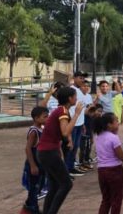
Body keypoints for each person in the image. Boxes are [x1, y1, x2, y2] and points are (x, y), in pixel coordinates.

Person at [37, 86, 83, 214]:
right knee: (66, 184)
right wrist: (77, 114)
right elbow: (65, 131)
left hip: (47, 152)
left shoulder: (60, 110)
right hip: (48, 152)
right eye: (74, 96)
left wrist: (67, 142)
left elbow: (58, 133)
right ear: (69, 98)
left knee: (55, 185)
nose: (76, 99)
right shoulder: (62, 111)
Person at [93, 112, 123, 214]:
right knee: (116, 200)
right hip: (114, 171)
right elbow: (122, 156)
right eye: (116, 121)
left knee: (106, 200)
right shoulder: (113, 138)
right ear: (109, 125)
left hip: (101, 170)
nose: (118, 123)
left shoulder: (98, 136)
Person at [22, 106, 48, 214]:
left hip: (40, 164)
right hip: (34, 164)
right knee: (34, 187)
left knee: (38, 187)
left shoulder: (42, 129)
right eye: (45, 117)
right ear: (36, 118)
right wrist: (32, 165)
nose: (47, 118)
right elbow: (28, 148)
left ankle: (29, 206)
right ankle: (33, 208)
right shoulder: (34, 131)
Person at [66, 72, 91, 176]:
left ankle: (71, 167)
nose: (82, 80)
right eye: (80, 78)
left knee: (76, 147)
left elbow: (82, 109)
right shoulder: (71, 90)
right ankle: (67, 169)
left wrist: (83, 123)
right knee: (70, 147)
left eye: (83, 78)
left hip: (80, 123)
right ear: (75, 78)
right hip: (73, 123)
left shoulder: (80, 91)